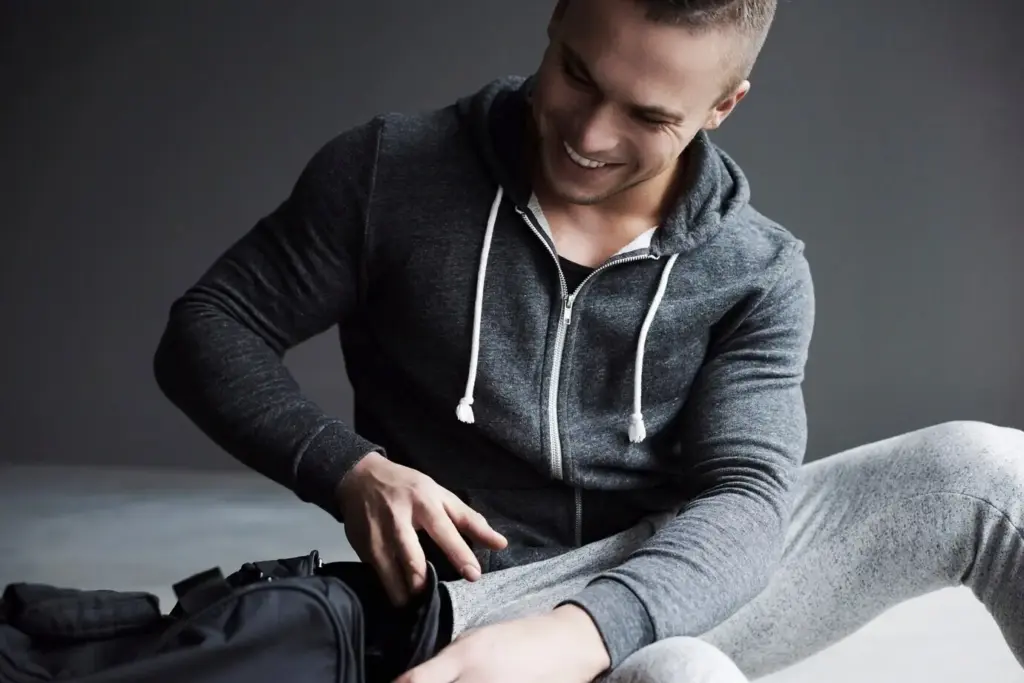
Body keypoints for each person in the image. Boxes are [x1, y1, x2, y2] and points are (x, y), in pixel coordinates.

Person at [153, 0, 1024, 681]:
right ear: (557, 19)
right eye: (577, 74)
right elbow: (209, 326)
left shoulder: (755, 269)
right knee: (684, 674)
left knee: (989, 473)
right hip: (474, 610)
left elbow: (745, 498)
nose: (588, 135)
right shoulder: (394, 172)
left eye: (648, 115)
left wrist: (581, 631)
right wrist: (349, 469)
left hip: (672, 584)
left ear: (723, 105)